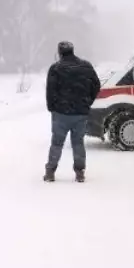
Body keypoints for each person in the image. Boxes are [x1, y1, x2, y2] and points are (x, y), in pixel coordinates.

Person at [44, 40, 100, 182]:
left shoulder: (55, 68)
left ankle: (50, 172)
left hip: (61, 113)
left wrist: (52, 107)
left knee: (56, 143)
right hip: (80, 112)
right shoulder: (86, 66)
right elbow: (96, 85)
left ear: (60, 52)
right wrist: (87, 102)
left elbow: (50, 90)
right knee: (78, 143)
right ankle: (79, 172)